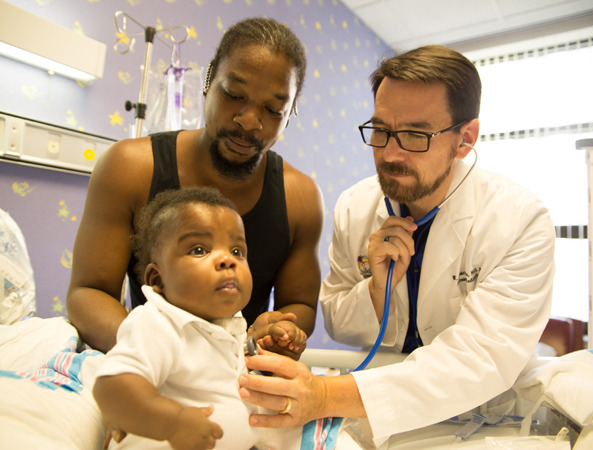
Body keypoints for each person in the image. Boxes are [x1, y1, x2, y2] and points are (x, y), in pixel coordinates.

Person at [237, 45, 555, 446]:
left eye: (415, 135)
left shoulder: (518, 220)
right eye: (381, 130)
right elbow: (336, 319)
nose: (389, 153)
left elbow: (481, 359)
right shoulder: (354, 206)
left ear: (465, 139)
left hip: (486, 417)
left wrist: (324, 396)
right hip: (373, 413)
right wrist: (374, 288)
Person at [66, 17, 323, 358]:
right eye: (234, 94)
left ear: (290, 113)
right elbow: (88, 292)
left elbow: (299, 304)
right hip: (145, 361)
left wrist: (278, 331)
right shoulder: (129, 169)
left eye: (273, 109)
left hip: (237, 370)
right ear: (208, 82)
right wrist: (150, 352)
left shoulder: (300, 199)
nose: (249, 120)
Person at [93, 187, 307, 449]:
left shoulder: (230, 324)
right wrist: (173, 422)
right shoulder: (158, 324)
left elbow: (220, 368)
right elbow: (111, 387)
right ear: (157, 280)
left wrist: (256, 345)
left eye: (238, 251)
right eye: (198, 250)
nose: (227, 259)